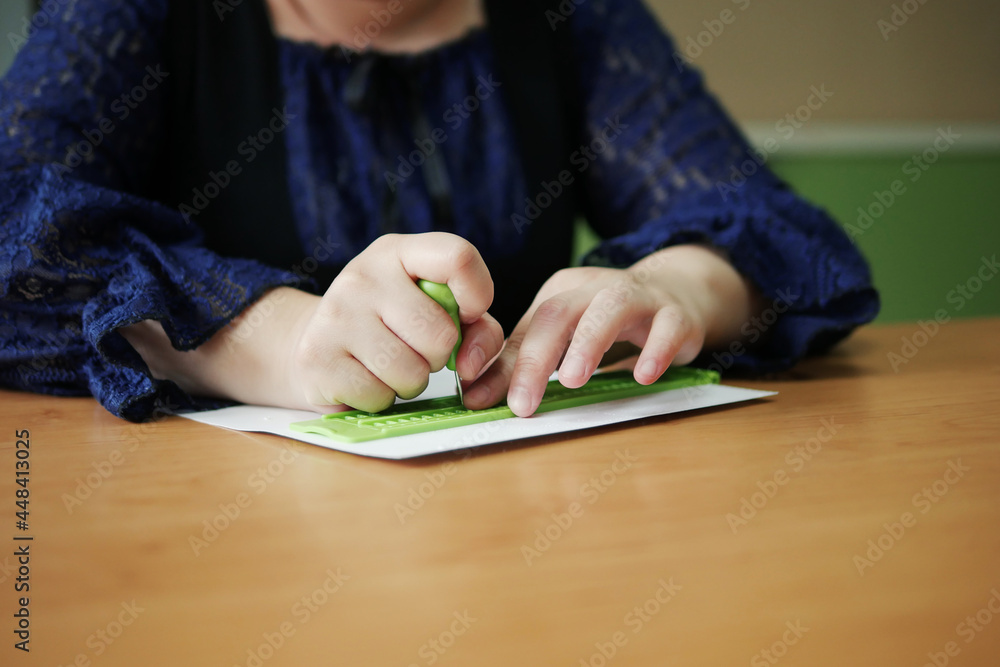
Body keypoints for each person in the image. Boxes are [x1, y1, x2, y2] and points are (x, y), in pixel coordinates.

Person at [0, 0, 879, 421]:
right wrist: (276, 341)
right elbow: (14, 227)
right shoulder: (132, 16)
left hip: (527, 534)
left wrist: (677, 289)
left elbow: (775, 229)